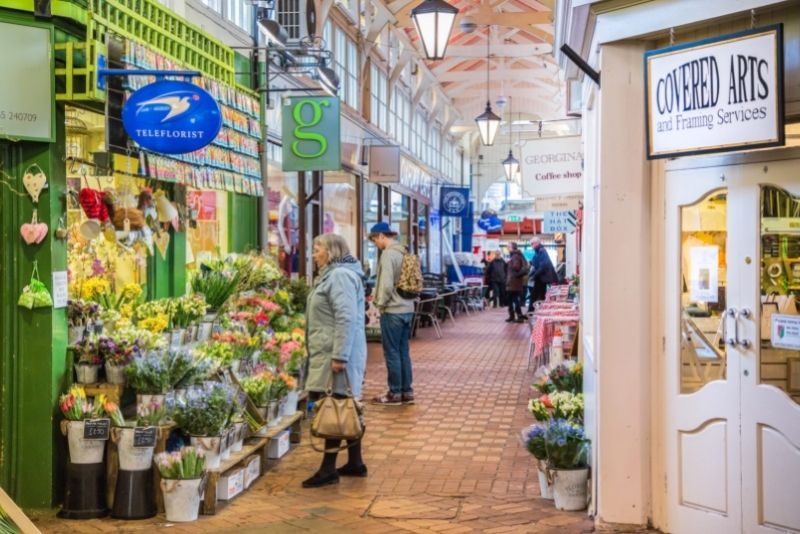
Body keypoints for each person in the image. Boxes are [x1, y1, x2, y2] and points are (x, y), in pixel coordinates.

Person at [303, 234, 368, 488]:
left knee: (334, 405)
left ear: (330, 252)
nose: (314, 254)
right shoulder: (335, 274)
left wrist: (340, 356)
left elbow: (346, 317)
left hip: (337, 353)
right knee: (346, 405)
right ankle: (355, 462)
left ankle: (328, 469)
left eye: (317, 249)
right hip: (330, 350)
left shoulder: (340, 276)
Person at [368, 222, 416, 405]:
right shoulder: (404, 252)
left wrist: (379, 303)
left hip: (393, 310)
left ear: (381, 236)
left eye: (374, 240)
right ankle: (407, 391)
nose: (375, 244)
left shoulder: (388, 254)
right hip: (407, 308)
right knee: (403, 351)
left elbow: (387, 285)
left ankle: (394, 393)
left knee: (391, 353)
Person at [528, 236, 559, 311]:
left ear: (537, 243)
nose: (531, 245)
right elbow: (537, 263)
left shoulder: (541, 251)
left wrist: (534, 275)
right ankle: (539, 310)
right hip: (541, 277)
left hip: (542, 278)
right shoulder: (539, 251)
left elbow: (543, 265)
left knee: (535, 295)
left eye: (532, 243)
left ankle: (532, 311)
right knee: (540, 295)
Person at [505, 242, 528, 323]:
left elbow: (516, 267)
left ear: (512, 247)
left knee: (512, 300)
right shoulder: (516, 255)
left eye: (508, 246)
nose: (507, 248)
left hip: (513, 282)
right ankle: (517, 316)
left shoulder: (515, 256)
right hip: (514, 282)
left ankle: (516, 316)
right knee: (514, 300)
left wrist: (509, 263)